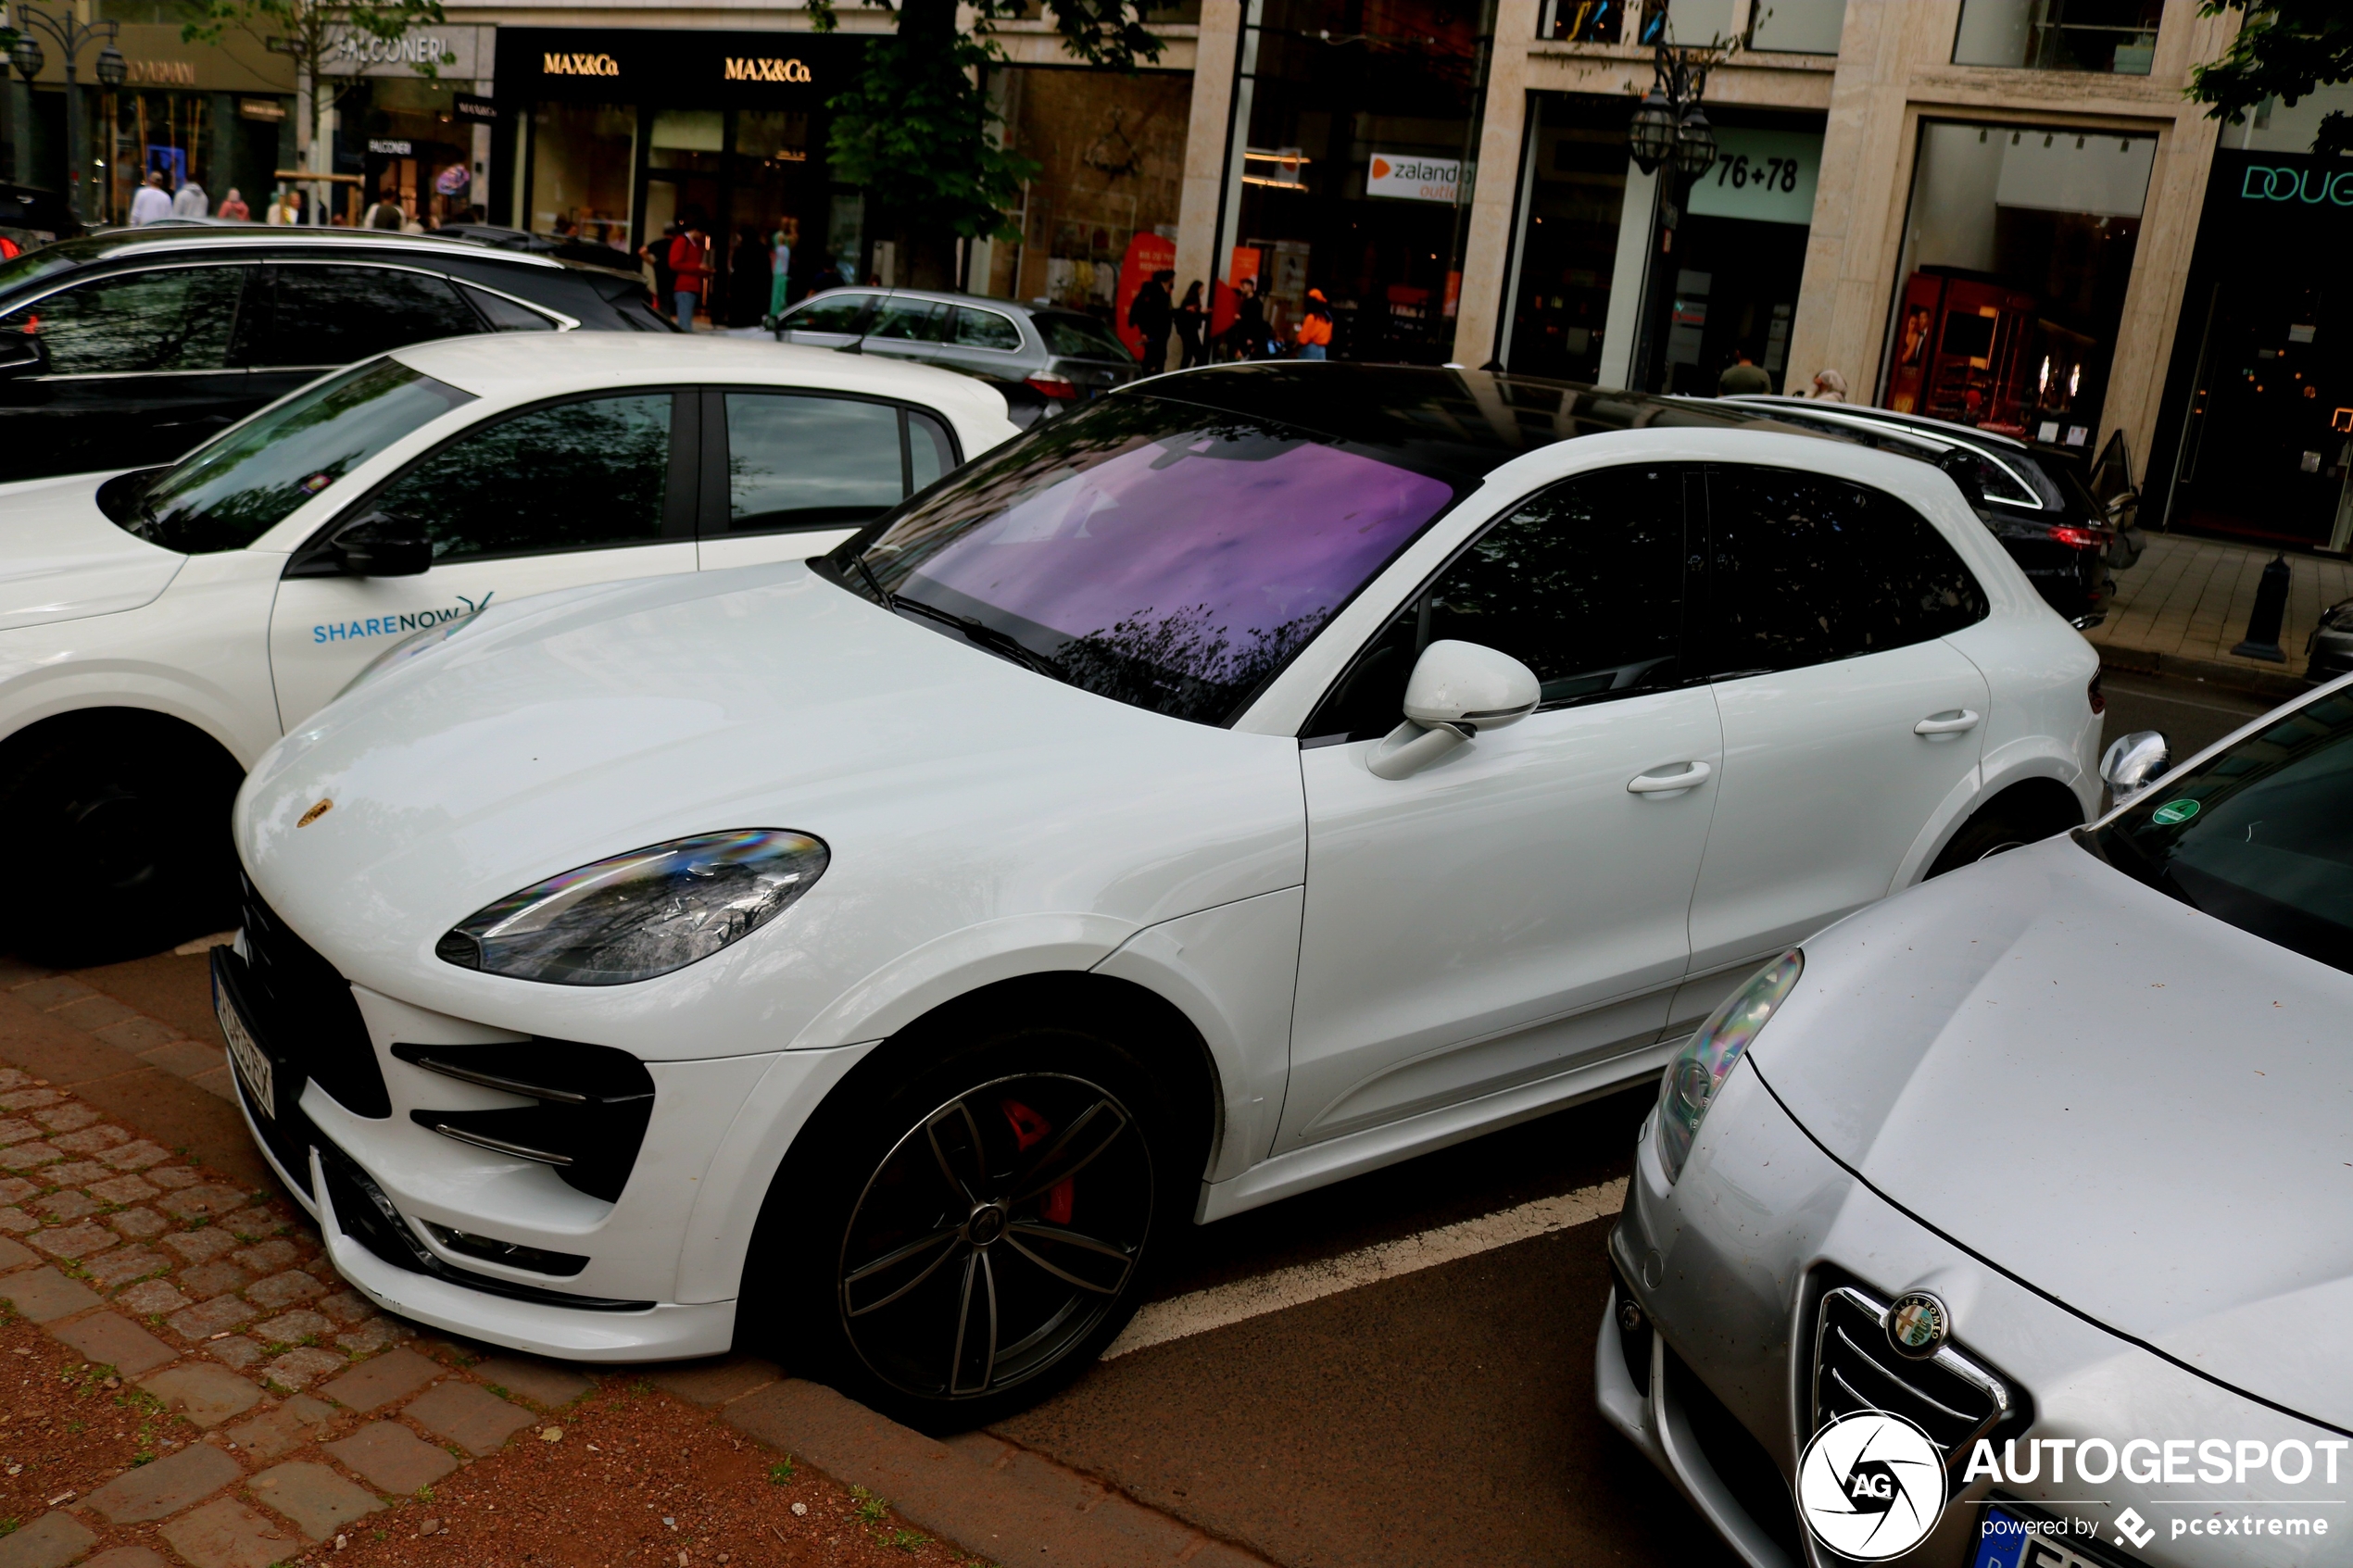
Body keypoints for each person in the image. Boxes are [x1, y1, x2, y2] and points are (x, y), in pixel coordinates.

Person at [1127, 268, 1173, 372]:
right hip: (1154, 333)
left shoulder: (1164, 295)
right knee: (1152, 359)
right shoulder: (1153, 294)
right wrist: (1145, 332)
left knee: (1158, 357)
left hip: (1160, 333)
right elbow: (1146, 314)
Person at [668, 224, 710, 332]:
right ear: (695, 231)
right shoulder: (682, 241)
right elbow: (674, 263)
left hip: (691, 285)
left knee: (686, 320)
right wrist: (697, 267)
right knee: (685, 323)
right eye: (701, 234)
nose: (702, 237)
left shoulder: (694, 244)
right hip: (684, 286)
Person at [1223, 275, 1266, 361]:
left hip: (1248, 337)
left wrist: (1251, 338)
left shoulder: (1256, 303)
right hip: (1242, 336)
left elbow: (1256, 322)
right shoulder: (1245, 301)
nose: (1241, 288)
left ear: (1250, 288)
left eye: (1243, 287)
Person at [1294, 286, 1333, 360]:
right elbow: (1329, 338)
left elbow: (1303, 339)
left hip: (1310, 349)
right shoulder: (1328, 319)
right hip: (1322, 351)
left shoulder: (1311, 317)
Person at [1173, 281, 1205, 369]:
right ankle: (1189, 374)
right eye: (1202, 288)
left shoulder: (1189, 299)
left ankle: (1183, 375)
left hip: (1187, 331)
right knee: (1199, 356)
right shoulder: (1192, 300)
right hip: (1190, 331)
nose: (1203, 290)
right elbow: (1191, 315)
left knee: (1188, 355)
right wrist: (1201, 313)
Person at [768, 220, 795, 320]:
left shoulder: (782, 249)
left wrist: (783, 271)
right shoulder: (781, 249)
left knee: (779, 292)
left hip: (780, 272)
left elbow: (783, 261)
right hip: (779, 271)